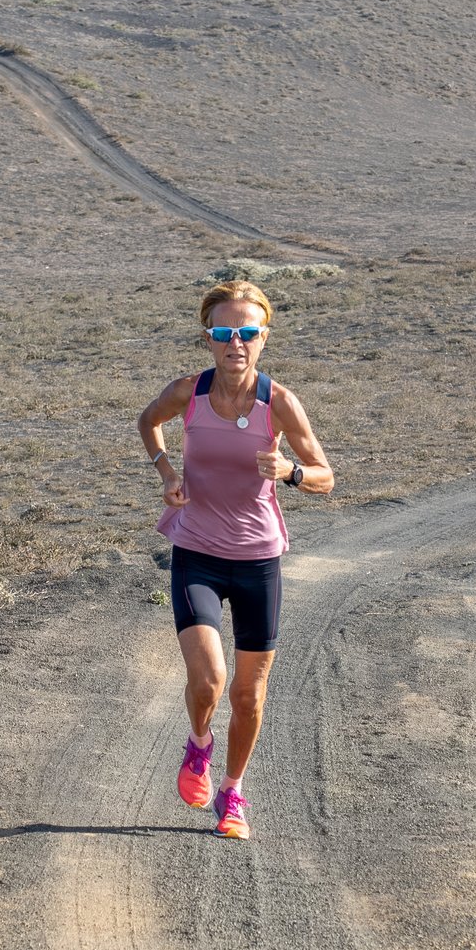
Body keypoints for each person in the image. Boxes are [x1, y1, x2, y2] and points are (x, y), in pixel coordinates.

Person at [135, 278, 333, 840]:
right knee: (209, 681)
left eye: (247, 332)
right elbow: (147, 421)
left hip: (257, 561)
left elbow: (326, 476)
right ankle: (198, 744)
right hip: (196, 551)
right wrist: (168, 472)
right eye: (224, 332)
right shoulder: (189, 393)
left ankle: (233, 791)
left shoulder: (281, 403)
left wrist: (291, 473)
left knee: (248, 695)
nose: (235, 342)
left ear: (263, 337)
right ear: (208, 338)